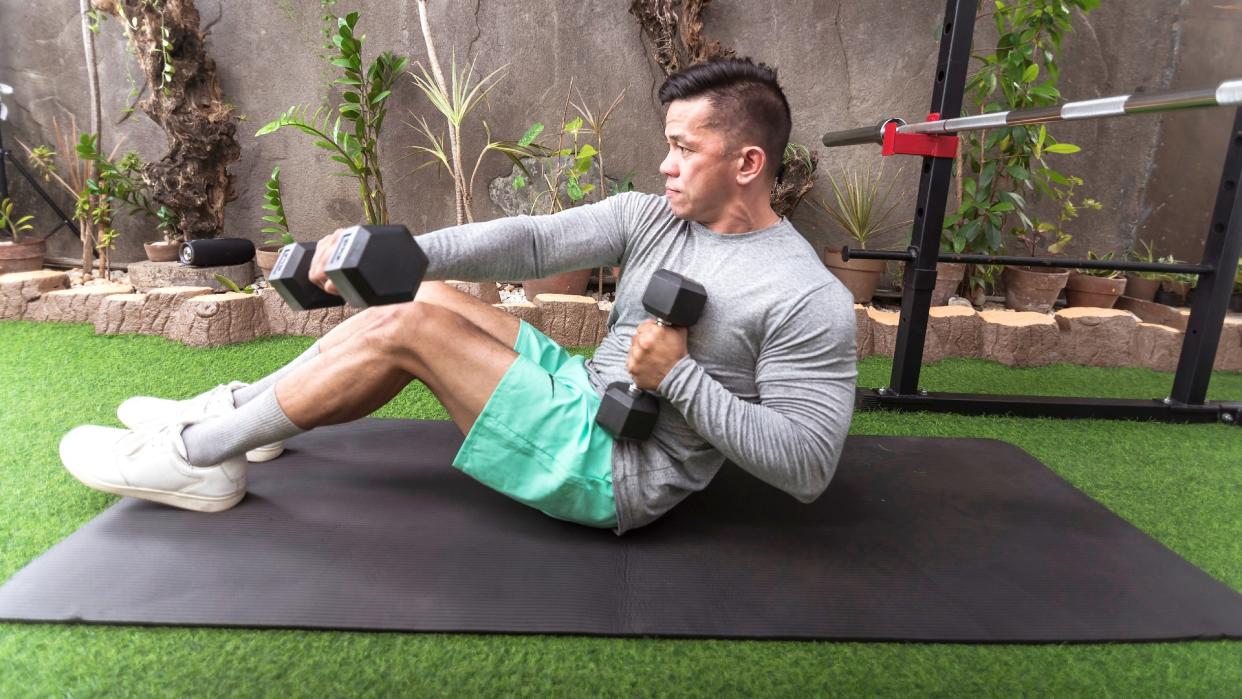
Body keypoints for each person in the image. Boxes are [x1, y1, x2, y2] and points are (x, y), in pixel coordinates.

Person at [59, 57, 858, 535]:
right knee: (424, 293)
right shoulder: (658, 217)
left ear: (748, 164)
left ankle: (199, 459)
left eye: (686, 149)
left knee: (403, 329)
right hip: (581, 390)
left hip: (614, 467)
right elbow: (535, 242)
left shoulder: (801, 295)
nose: (665, 165)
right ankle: (237, 416)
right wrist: (378, 253)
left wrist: (679, 377)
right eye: (667, 146)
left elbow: (810, 467)